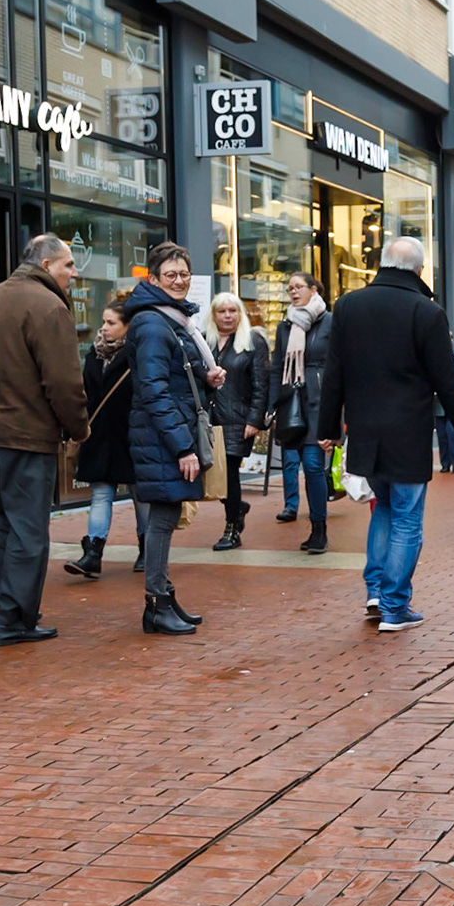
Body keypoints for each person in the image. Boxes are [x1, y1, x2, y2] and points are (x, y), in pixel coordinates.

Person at [317, 236, 454, 633]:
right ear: (419, 270)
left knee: (384, 509)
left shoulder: (349, 306)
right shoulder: (426, 311)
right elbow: (447, 381)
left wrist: (328, 430)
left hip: (365, 429)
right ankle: (394, 606)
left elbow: (333, 373)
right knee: (407, 517)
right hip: (408, 430)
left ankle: (376, 591)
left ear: (383, 263)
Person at [0, 236, 89, 645]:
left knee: (12, 528)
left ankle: (13, 614)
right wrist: (79, 429)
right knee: (28, 531)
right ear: (48, 263)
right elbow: (64, 381)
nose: (74, 272)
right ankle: (13, 620)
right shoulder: (48, 305)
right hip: (25, 434)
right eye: (69, 265)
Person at [123, 243, 218, 636]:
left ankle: (163, 597)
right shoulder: (152, 323)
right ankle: (156, 605)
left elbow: (170, 380)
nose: (179, 281)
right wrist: (182, 445)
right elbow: (153, 389)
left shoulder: (171, 319)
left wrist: (203, 376)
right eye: (171, 275)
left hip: (163, 431)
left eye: (184, 275)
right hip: (161, 436)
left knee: (165, 516)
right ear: (154, 279)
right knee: (162, 519)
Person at [67, 295, 145, 578]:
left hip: (131, 434)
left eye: (111, 323)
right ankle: (93, 552)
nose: (104, 328)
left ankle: (147, 548)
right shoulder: (94, 353)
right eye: (103, 322)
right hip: (98, 436)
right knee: (101, 493)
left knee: (141, 494)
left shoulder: (138, 355)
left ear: (128, 326)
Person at [271, 271, 333, 548]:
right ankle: (307, 520)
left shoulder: (330, 322)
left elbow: (340, 368)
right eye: (290, 288)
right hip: (292, 403)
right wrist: (272, 405)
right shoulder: (285, 325)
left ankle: (319, 528)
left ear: (313, 289)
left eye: (299, 287)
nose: (294, 292)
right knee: (293, 463)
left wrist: (338, 415)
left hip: (320, 404)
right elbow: (276, 367)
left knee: (312, 465)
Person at [208, 293, 270, 551]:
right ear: (214, 315)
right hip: (210, 418)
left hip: (237, 418)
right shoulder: (205, 340)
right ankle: (237, 507)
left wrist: (254, 419)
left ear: (240, 313)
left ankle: (232, 528)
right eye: (222, 311)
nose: (227, 316)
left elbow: (261, 385)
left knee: (229, 475)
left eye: (232, 311)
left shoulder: (252, 341)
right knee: (215, 475)